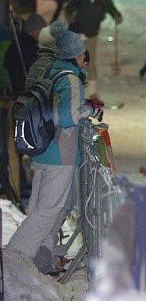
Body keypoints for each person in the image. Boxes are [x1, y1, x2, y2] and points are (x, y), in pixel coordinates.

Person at [6, 21, 103, 274]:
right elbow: (67, 117)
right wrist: (90, 109)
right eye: (84, 53)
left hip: (43, 150)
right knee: (49, 211)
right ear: (76, 54)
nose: (85, 58)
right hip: (60, 153)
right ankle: (13, 261)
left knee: (42, 208)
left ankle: (40, 260)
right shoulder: (70, 79)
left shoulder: (51, 71)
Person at [64, 0, 123, 99]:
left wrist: (117, 16)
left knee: (90, 61)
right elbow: (69, 7)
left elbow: (112, 10)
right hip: (76, 33)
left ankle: (92, 91)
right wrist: (70, 15)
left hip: (91, 34)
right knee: (75, 61)